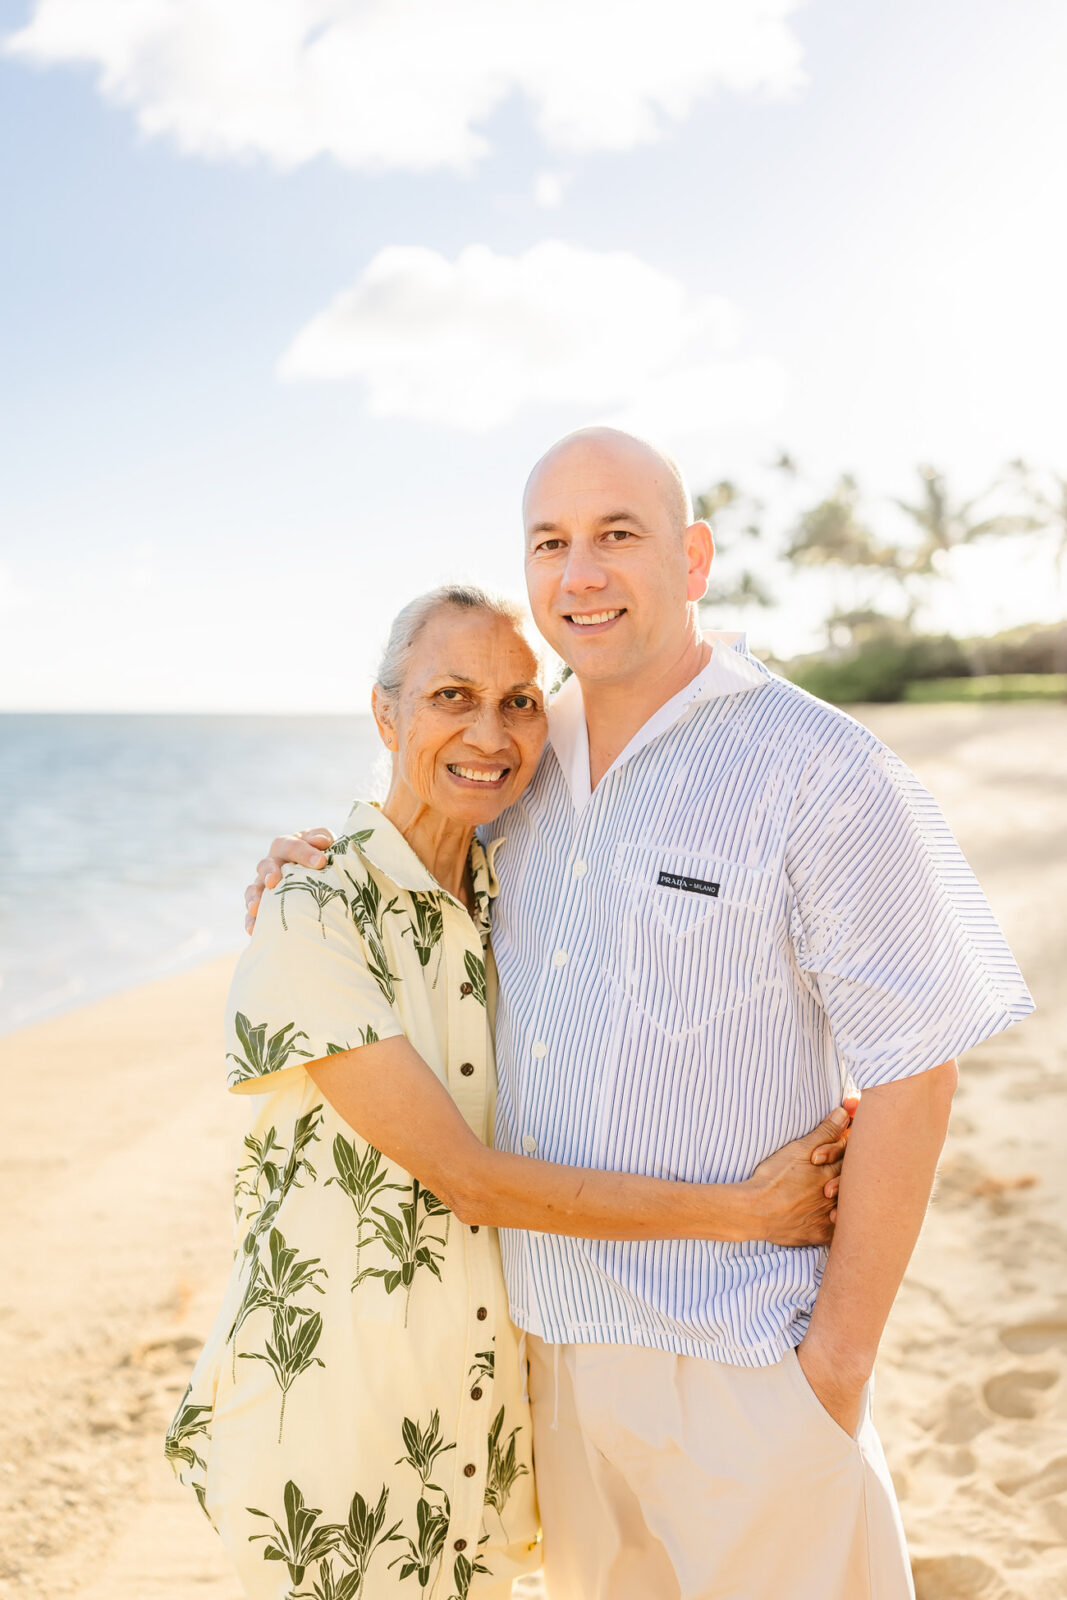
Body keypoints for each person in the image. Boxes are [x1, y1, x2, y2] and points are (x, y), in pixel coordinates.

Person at [250, 430, 1035, 1600]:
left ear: (692, 557)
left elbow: (915, 1071)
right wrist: (303, 866)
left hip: (739, 1359)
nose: (582, 573)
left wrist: (834, 1369)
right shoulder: (518, 759)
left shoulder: (818, 767)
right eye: (551, 543)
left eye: (617, 534)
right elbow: (415, 867)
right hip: (544, 1360)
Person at [172, 583, 852, 1600]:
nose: (488, 732)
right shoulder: (311, 909)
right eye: (451, 695)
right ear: (385, 712)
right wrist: (743, 1212)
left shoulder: (509, 882)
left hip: (485, 1383)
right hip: (337, 1389)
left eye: (519, 700)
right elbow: (468, 1179)